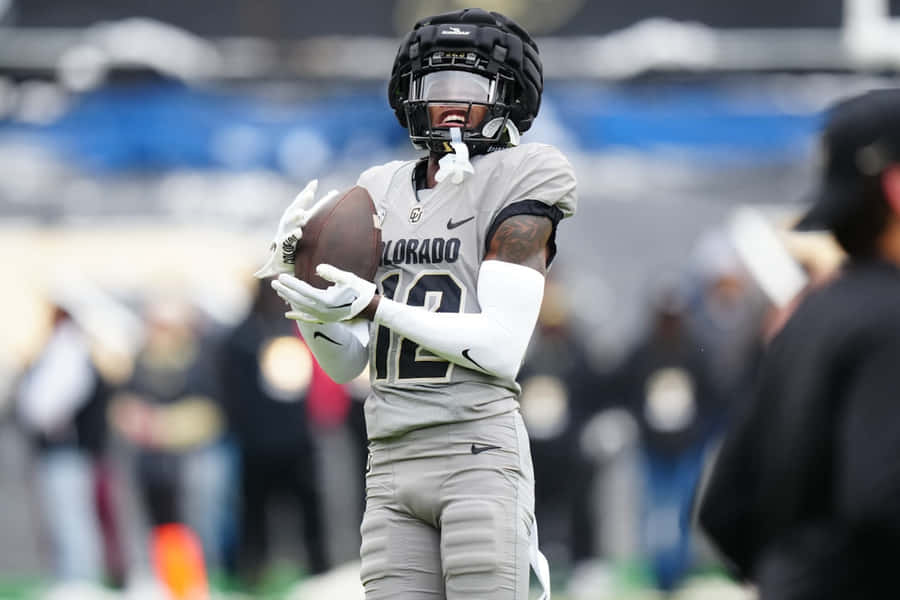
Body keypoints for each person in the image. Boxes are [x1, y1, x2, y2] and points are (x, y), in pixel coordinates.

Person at [255, 8, 576, 599]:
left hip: (476, 450)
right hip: (390, 457)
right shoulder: (379, 188)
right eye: (436, 85)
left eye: (471, 86)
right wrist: (312, 305)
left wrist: (377, 307)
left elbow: (501, 349)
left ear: (509, 96)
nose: (450, 104)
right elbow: (346, 365)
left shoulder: (525, 173)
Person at [697, 89, 900, 599]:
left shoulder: (807, 315)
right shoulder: (888, 321)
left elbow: (723, 509)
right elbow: (879, 504)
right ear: (895, 188)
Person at [219, 279, 330, 580]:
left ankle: (317, 570)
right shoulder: (243, 338)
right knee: (255, 514)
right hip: (259, 443)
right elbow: (231, 394)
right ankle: (254, 573)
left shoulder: (296, 330)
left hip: (293, 440)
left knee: (306, 512)